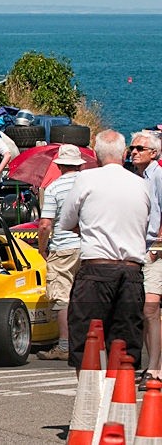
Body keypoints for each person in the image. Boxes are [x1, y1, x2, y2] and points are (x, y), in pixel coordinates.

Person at [59, 130, 149, 372]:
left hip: (97, 267)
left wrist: (87, 227)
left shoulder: (86, 179)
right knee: (125, 344)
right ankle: (122, 402)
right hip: (131, 269)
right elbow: (148, 227)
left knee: (86, 341)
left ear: (96, 156)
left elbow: (66, 221)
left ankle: (91, 401)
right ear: (124, 155)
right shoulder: (141, 185)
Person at [36, 144, 85, 361]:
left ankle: (65, 345)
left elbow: (45, 225)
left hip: (63, 247)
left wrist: (42, 248)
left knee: (61, 296)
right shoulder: (88, 185)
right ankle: (90, 341)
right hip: (89, 246)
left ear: (60, 166)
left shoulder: (54, 188)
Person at [129, 130, 162, 388]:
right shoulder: (138, 178)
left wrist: (156, 248)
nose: (134, 151)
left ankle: (154, 369)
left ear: (154, 152)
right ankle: (148, 364)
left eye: (139, 148)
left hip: (155, 249)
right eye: (132, 148)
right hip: (140, 247)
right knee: (143, 310)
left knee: (150, 309)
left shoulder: (158, 175)